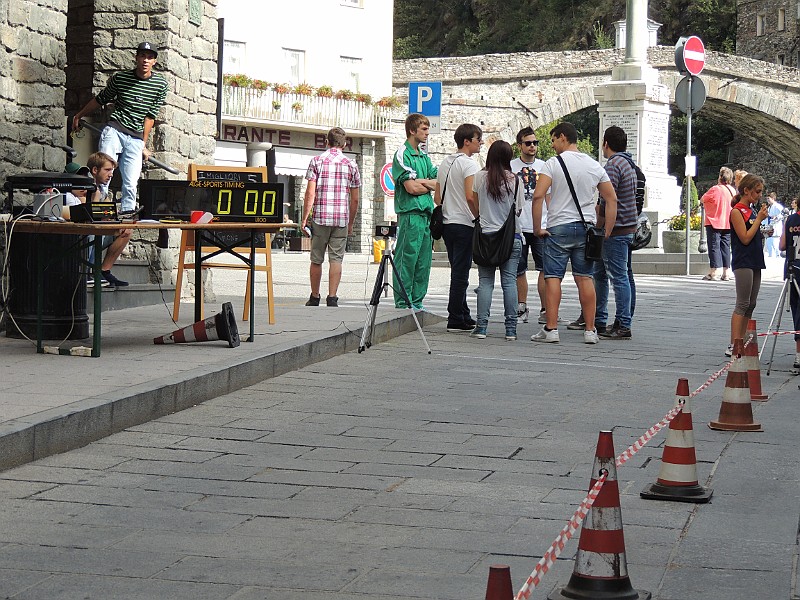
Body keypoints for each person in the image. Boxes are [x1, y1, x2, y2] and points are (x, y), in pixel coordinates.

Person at [531, 122, 617, 345]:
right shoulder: (594, 165)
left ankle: (551, 329)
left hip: (558, 227)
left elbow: (539, 195)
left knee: (553, 278)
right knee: (585, 278)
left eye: (553, 140)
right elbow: (611, 199)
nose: (552, 145)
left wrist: (537, 227)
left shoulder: (552, 164)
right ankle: (590, 330)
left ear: (562, 137)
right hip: (585, 228)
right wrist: (606, 229)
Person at [71, 42, 168, 217]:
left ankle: (127, 214)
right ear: (136, 58)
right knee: (104, 170)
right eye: (143, 56)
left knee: (131, 181)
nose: (146, 60)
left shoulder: (160, 85)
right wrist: (79, 115)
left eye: (150, 57)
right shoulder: (121, 78)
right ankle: (97, 208)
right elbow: (101, 98)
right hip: (115, 129)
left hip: (136, 136)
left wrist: (143, 144)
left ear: (154, 61)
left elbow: (150, 117)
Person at [300, 127, 361, 307]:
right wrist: (350, 223)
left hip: (320, 218)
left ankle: (314, 296)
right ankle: (332, 297)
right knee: (336, 259)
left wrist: (304, 219)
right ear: (345, 144)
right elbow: (355, 199)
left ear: (326, 142)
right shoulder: (352, 165)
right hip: (341, 219)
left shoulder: (316, 161)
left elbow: (310, 194)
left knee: (316, 259)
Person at [470, 141, 524, 341]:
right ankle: (511, 330)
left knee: (485, 282)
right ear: (509, 157)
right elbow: (518, 209)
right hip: (511, 238)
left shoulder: (479, 177)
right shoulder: (515, 181)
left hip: (485, 237)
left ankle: (481, 327)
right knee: (509, 282)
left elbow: (475, 203)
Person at [511, 126, 562, 327]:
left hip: (542, 224)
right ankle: (521, 306)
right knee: (519, 269)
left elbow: (550, 196)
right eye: (528, 143)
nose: (532, 146)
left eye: (535, 143)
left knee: (544, 268)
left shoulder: (545, 165)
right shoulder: (511, 166)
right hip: (519, 224)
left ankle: (545, 309)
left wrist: (553, 220)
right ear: (519, 145)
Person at [434, 123, 482, 332]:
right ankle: (455, 317)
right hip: (464, 223)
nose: (480, 142)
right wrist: (479, 216)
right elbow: (470, 195)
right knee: (461, 273)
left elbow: (437, 197)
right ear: (467, 141)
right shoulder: (469, 165)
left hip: (447, 223)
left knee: (457, 268)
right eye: (477, 139)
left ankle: (463, 313)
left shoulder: (446, 162)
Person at [594, 126, 637, 340]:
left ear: (606, 143)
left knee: (618, 277)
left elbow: (608, 199)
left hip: (616, 229)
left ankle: (623, 324)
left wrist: (605, 228)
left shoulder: (612, 166)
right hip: (628, 226)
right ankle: (622, 319)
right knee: (625, 275)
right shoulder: (629, 163)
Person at [391, 114, 438, 310]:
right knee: (407, 259)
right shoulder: (403, 154)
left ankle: (417, 302)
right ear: (412, 130)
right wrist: (427, 184)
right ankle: (403, 302)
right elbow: (411, 188)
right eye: (424, 129)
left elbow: (439, 182)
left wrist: (422, 182)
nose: (427, 133)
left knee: (423, 262)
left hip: (426, 215)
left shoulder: (424, 156)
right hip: (410, 215)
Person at [67, 153, 132, 287]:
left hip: (92, 233)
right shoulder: (84, 187)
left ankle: (103, 271)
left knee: (126, 230)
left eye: (112, 171)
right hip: (78, 237)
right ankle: (89, 273)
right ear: (95, 170)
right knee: (97, 231)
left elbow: (108, 212)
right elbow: (89, 214)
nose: (111, 174)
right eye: (107, 170)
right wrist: (96, 198)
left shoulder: (102, 189)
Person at [727, 173, 768, 357]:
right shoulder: (737, 211)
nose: (760, 195)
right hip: (743, 260)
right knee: (742, 303)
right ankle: (734, 343)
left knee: (751, 303)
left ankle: (742, 339)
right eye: (757, 191)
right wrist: (758, 220)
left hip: (755, 259)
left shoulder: (751, 211)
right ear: (746, 191)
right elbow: (744, 237)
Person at [700, 167, 736, 281]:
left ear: (720, 177)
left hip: (714, 221)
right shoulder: (732, 190)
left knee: (714, 246)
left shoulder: (715, 189)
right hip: (728, 222)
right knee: (725, 247)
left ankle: (714, 271)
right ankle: (726, 272)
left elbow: (703, 199)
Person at [778, 198, 800, 372]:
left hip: (793, 268)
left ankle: (798, 352)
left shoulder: (790, 220)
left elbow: (782, 245)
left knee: (796, 310)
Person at [764, 191, 785, 258]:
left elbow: (784, 214)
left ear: (773, 198)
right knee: (769, 248)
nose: (768, 200)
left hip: (776, 230)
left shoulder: (778, 206)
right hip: (769, 229)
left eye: (769, 199)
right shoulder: (769, 207)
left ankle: (777, 259)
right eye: (767, 199)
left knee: (776, 247)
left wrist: (776, 217)